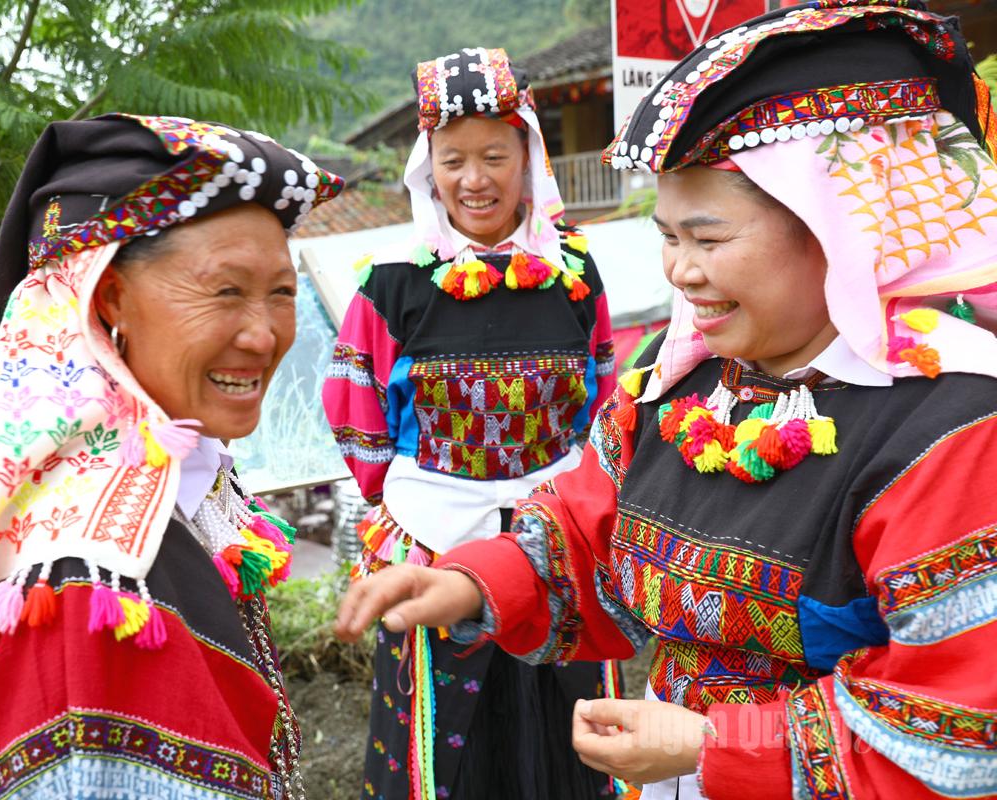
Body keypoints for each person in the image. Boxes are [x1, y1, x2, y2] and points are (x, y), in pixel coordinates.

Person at [335, 4, 997, 799]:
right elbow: (588, 534)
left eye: (708, 239)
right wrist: (475, 582)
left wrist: (715, 745)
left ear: (839, 230)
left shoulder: (950, 429)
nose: (679, 271)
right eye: (669, 236)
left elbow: (954, 731)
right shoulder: (678, 380)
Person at [0, 115, 344, 799]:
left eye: (281, 292)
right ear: (108, 297)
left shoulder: (132, 488)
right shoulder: (88, 584)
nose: (263, 334)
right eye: (225, 291)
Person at [323, 47, 621, 800]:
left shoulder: (575, 272)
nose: (475, 179)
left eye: (494, 156)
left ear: (529, 157)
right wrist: (412, 499)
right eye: (453, 160)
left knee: (571, 729)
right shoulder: (393, 282)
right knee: (446, 743)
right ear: (429, 170)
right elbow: (356, 412)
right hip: (432, 534)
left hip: (557, 537)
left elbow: (602, 394)